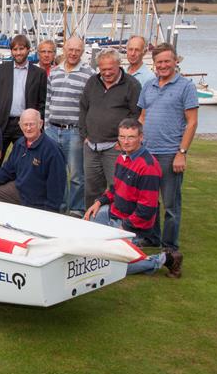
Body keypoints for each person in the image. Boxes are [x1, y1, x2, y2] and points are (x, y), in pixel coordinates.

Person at [83, 118, 181, 277]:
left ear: (141, 138)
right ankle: (120, 249)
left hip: (133, 225)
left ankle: (165, 259)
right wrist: (99, 203)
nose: (125, 142)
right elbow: (115, 190)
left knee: (110, 265)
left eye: (131, 137)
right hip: (113, 214)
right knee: (85, 234)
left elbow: (147, 210)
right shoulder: (122, 158)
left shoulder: (148, 167)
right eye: (122, 137)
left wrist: (125, 228)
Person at [138, 42, 198, 260]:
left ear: (175, 62)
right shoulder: (149, 86)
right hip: (148, 153)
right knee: (149, 200)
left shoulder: (186, 87)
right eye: (159, 62)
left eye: (166, 61)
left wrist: (181, 152)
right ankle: (152, 237)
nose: (163, 65)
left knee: (171, 204)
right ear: (153, 64)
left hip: (170, 153)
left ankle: (170, 245)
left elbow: (192, 122)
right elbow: (142, 118)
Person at [79, 48, 141, 208]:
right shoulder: (93, 81)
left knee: (118, 188)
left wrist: (123, 141)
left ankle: (117, 223)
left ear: (119, 65)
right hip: (91, 145)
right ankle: (91, 222)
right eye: (102, 69)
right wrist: (84, 135)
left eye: (110, 69)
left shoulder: (131, 85)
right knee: (91, 189)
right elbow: (83, 108)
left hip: (115, 147)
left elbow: (136, 115)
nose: (106, 73)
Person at [44, 35, 95, 217]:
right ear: (64, 50)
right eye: (70, 49)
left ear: (82, 52)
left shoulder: (88, 74)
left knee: (75, 175)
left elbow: (90, 105)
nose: (73, 53)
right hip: (52, 129)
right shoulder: (55, 72)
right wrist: (46, 125)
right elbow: (48, 100)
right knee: (56, 172)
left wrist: (85, 131)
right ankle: (60, 206)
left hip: (74, 131)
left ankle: (76, 209)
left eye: (77, 50)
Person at [0, 109, 66, 213]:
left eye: (32, 124)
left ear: (40, 124)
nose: (28, 128)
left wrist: (50, 211)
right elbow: (8, 170)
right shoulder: (20, 144)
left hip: (39, 201)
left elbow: (56, 186)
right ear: (20, 125)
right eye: (25, 124)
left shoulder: (52, 151)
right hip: (20, 191)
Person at [0, 34, 47, 166]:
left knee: (26, 161)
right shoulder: (0, 69)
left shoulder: (39, 73)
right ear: (11, 51)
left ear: (28, 50)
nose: (18, 53)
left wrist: (38, 123)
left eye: (21, 49)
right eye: (15, 49)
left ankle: (21, 186)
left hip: (25, 124)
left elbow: (42, 102)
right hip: (2, 122)